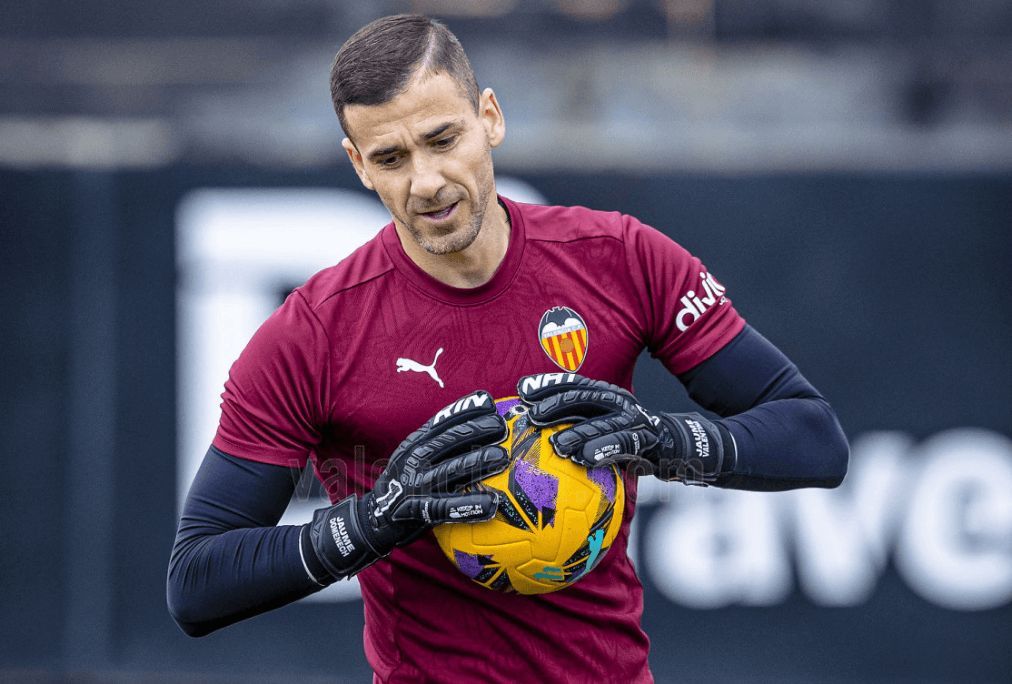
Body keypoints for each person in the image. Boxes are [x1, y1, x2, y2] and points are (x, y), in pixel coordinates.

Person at [167, 13, 849, 683]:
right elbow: (197, 581)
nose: (426, 181)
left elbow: (813, 437)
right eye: (391, 158)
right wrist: (370, 524)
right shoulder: (312, 334)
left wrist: (662, 442)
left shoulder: (619, 257)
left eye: (442, 139)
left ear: (489, 117)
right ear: (359, 166)